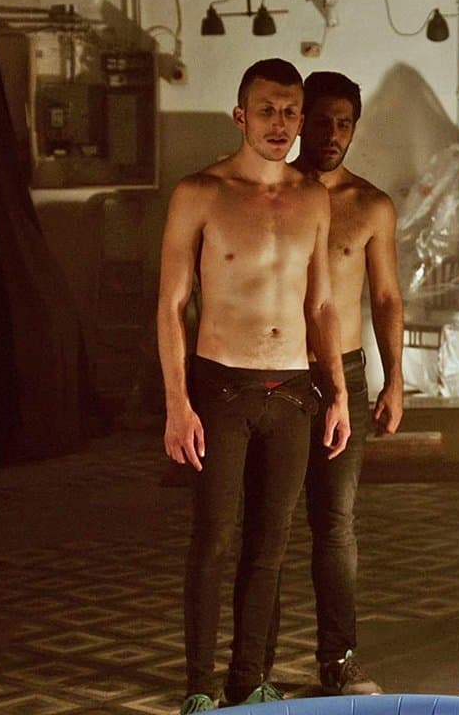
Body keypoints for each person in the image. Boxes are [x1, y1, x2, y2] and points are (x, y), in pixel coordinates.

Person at [156, 58, 351, 714]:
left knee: (270, 547)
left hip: (293, 392)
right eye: (266, 110)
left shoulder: (312, 198)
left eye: (291, 112)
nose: (280, 124)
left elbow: (322, 304)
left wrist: (338, 392)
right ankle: (199, 685)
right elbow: (170, 306)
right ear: (240, 116)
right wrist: (177, 404)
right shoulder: (201, 193)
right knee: (213, 541)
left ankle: (250, 678)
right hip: (222, 389)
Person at [263, 70, 404, 696]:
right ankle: (254, 665)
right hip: (276, 372)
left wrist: (395, 380)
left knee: (336, 523)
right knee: (267, 525)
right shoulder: (272, 194)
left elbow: (386, 297)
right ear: (299, 122)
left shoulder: (370, 205)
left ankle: (338, 660)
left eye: (344, 123)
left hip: (342, 370)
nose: (331, 134)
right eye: (321, 120)